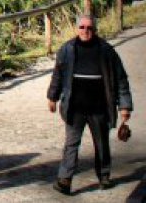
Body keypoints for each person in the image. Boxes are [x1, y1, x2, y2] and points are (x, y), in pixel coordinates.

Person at [47, 13, 133, 195]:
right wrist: (52, 97)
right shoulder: (67, 49)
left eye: (90, 28)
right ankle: (64, 179)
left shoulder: (107, 51)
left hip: (99, 108)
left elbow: (121, 79)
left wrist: (124, 106)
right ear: (77, 29)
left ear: (95, 29)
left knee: (101, 144)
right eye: (82, 27)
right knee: (71, 144)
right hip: (74, 108)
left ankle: (104, 175)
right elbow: (58, 75)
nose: (86, 31)